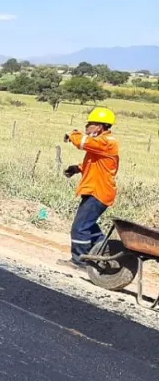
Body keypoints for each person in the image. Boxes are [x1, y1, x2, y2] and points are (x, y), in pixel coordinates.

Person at [59, 107, 120, 269]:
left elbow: (84, 142)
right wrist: (78, 168)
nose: (86, 127)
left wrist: (72, 134)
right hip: (97, 191)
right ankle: (106, 253)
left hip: (98, 192)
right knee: (89, 226)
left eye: (90, 124)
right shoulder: (103, 142)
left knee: (79, 228)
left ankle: (79, 261)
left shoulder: (107, 141)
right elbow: (96, 163)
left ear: (99, 126)